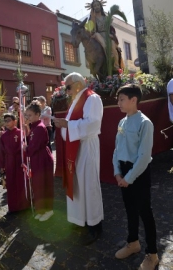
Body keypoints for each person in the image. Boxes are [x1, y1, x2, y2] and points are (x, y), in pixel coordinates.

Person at [53, 72, 104, 246]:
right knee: (77, 184)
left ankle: (95, 225)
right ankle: (80, 219)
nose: (66, 92)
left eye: (67, 87)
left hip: (87, 146)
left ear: (77, 84)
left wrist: (67, 125)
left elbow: (93, 123)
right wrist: (62, 125)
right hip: (75, 147)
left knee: (89, 185)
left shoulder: (92, 99)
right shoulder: (76, 100)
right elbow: (71, 124)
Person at [113, 84, 159, 270]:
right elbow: (117, 149)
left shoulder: (144, 123)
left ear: (134, 100)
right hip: (123, 171)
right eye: (118, 100)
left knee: (145, 212)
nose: (119, 103)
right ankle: (133, 243)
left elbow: (144, 156)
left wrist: (129, 178)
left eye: (122, 99)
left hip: (138, 173)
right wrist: (117, 171)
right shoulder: (122, 122)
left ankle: (152, 253)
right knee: (129, 209)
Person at [24, 101, 54, 221]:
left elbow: (34, 146)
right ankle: (40, 209)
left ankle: (48, 210)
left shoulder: (40, 128)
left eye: (30, 115)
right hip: (37, 159)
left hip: (42, 159)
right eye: (27, 115)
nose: (28, 118)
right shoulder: (34, 127)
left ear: (37, 114)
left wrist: (26, 149)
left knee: (44, 184)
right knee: (38, 184)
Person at [0, 113, 29, 213]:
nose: (6, 123)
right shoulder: (3, 136)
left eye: (8, 120)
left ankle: (23, 205)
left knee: (20, 183)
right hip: (9, 162)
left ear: (15, 121)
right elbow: (2, 151)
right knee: (10, 184)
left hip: (20, 161)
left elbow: (26, 146)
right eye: (5, 121)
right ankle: (13, 207)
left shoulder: (21, 133)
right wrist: (2, 165)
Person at [86, 0, 124, 69]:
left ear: (100, 6)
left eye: (98, 5)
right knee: (97, 35)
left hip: (108, 35)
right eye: (95, 6)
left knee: (113, 47)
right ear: (93, 8)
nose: (96, 7)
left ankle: (116, 65)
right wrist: (93, 18)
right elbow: (91, 30)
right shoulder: (91, 19)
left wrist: (112, 35)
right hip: (98, 35)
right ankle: (107, 53)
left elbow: (111, 29)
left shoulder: (106, 18)